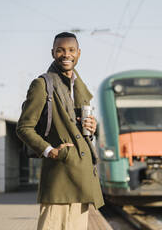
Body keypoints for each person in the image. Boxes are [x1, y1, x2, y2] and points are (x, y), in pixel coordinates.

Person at [16, 32, 104, 230]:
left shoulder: (79, 87)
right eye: (60, 50)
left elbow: (76, 127)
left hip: (81, 177)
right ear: (53, 53)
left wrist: (92, 127)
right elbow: (24, 127)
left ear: (79, 53)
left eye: (71, 50)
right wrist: (50, 151)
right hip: (58, 176)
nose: (66, 55)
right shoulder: (42, 85)